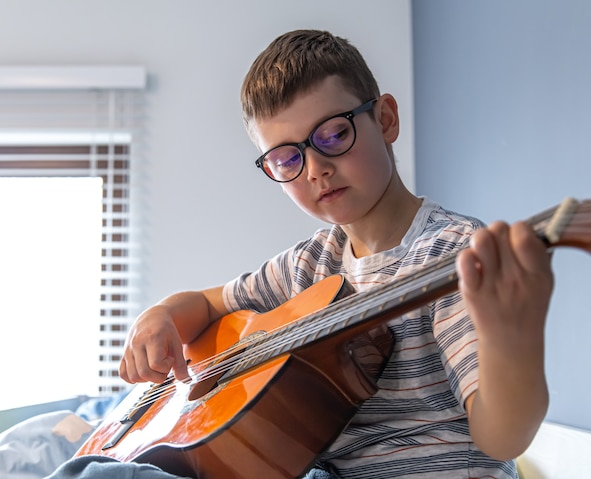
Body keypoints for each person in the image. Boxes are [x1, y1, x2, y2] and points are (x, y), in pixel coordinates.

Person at [48, 29, 553, 479]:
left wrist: (513, 339)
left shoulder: (452, 252)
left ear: (386, 119)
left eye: (333, 135)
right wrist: (158, 314)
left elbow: (502, 437)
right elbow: (207, 304)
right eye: (287, 157)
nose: (315, 169)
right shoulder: (309, 265)